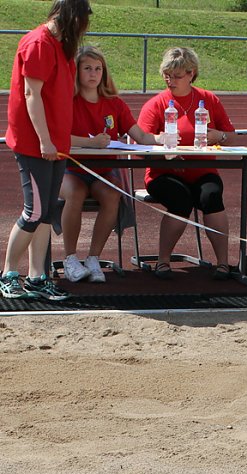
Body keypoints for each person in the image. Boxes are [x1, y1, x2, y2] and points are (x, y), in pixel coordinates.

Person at [1, 0, 91, 302]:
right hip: (36, 144)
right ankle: (8, 273)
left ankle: (37, 276)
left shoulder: (61, 45)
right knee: (35, 210)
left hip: (55, 144)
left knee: (46, 211)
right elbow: (31, 94)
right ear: (72, 17)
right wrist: (44, 140)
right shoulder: (39, 43)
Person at [61, 45, 161, 283]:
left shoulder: (115, 104)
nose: (93, 73)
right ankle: (70, 259)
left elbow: (142, 137)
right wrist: (91, 143)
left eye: (98, 68)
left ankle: (93, 257)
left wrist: (162, 139)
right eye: (87, 68)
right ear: (76, 72)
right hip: (70, 169)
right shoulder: (67, 101)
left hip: (104, 171)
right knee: (75, 193)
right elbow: (57, 136)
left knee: (112, 195)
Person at [137, 47, 237, 280]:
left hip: (202, 171)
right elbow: (139, 143)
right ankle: (163, 262)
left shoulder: (208, 99)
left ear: (191, 74)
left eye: (177, 75)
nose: (170, 80)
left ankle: (223, 263)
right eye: (167, 75)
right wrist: (164, 152)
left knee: (211, 197)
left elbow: (232, 136)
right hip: (165, 173)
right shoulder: (156, 104)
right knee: (181, 199)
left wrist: (218, 136)